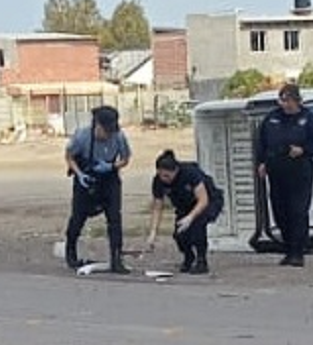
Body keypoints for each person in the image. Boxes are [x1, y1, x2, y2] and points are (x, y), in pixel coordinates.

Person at [254, 83, 313, 267]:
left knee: (298, 211)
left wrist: (303, 150)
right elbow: (261, 143)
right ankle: (287, 249)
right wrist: (261, 163)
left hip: (299, 171)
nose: (284, 104)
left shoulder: (309, 119)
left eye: (288, 100)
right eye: (282, 100)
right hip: (276, 171)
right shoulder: (271, 119)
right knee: (280, 211)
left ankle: (297, 252)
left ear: (297, 101)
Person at [62, 105, 132, 273]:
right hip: (86, 177)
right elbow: (69, 156)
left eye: (111, 131)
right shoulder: (81, 136)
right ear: (96, 125)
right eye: (105, 131)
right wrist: (79, 174)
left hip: (109, 178)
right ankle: (70, 251)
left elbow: (126, 158)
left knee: (115, 218)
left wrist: (111, 166)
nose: (108, 135)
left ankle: (116, 258)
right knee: (78, 217)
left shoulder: (119, 137)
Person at [145, 150, 224, 275]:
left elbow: (203, 200)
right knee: (179, 234)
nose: (164, 179)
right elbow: (157, 208)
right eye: (161, 175)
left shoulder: (190, 173)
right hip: (184, 206)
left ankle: (201, 261)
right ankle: (189, 257)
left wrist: (190, 217)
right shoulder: (159, 181)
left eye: (167, 176)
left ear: (175, 170)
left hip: (208, 200)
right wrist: (153, 233)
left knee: (197, 227)